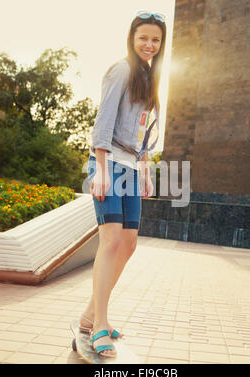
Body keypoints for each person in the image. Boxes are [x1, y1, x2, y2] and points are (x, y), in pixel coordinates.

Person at [81, 10, 167, 357]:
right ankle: (99, 323)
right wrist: (100, 170)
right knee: (112, 240)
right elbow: (105, 120)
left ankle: (90, 314)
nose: (149, 44)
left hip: (131, 167)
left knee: (129, 243)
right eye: (143, 38)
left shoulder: (149, 77)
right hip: (109, 162)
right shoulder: (122, 70)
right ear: (132, 39)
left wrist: (145, 169)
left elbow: (144, 130)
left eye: (156, 40)